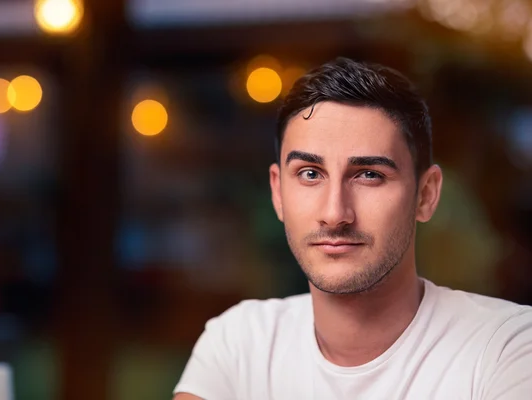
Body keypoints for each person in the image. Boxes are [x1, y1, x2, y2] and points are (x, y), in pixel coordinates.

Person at [172, 58, 532, 399]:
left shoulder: (507, 347)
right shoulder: (239, 342)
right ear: (278, 192)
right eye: (310, 174)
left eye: (369, 175)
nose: (335, 213)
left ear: (425, 195)